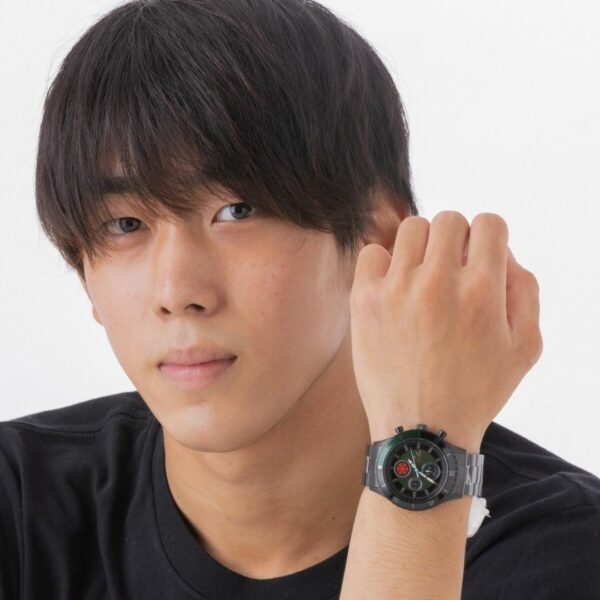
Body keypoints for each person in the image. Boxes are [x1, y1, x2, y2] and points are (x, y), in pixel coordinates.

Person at [1, 0, 599, 598]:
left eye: (237, 210)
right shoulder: (21, 503)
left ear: (377, 239)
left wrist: (425, 449)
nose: (176, 293)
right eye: (125, 225)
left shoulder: (565, 551)